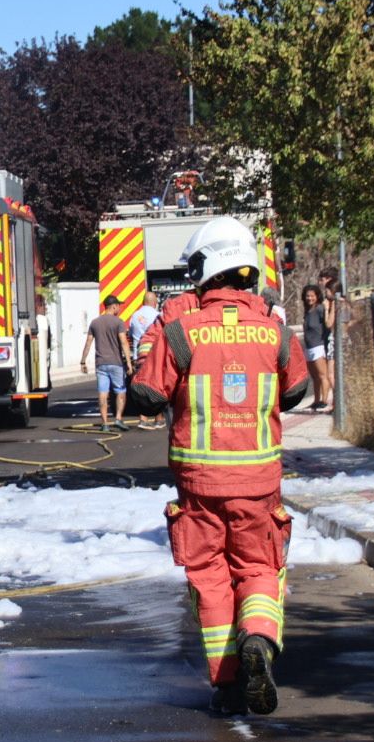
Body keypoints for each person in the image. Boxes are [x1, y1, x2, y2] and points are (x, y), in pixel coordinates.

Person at [128, 217, 310, 714]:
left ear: (205, 268)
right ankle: (258, 639)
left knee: (209, 576)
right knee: (259, 569)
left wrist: (152, 348)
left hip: (199, 486)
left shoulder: (182, 330)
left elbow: (145, 398)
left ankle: (227, 685)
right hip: (259, 484)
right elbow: (297, 391)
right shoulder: (276, 331)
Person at [81, 295, 133, 432]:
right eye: (119, 306)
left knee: (103, 393)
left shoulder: (95, 323)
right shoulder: (118, 322)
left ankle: (105, 423)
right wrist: (128, 362)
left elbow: (88, 342)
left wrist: (83, 361)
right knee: (121, 391)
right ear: (114, 306)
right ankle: (118, 418)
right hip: (116, 363)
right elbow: (123, 342)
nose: (120, 308)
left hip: (101, 364)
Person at [125, 292, 164, 430]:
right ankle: (159, 419)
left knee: (141, 388)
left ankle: (143, 419)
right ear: (155, 302)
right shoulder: (157, 316)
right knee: (156, 387)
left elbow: (130, 336)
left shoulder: (135, 316)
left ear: (143, 302)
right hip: (153, 355)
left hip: (138, 356)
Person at [301, 284, 332, 412]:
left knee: (322, 375)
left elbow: (327, 325)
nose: (309, 298)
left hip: (318, 346)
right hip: (309, 347)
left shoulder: (320, 309)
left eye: (312, 296)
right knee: (314, 377)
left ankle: (324, 401)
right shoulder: (307, 311)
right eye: (307, 296)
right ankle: (316, 400)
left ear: (317, 296)